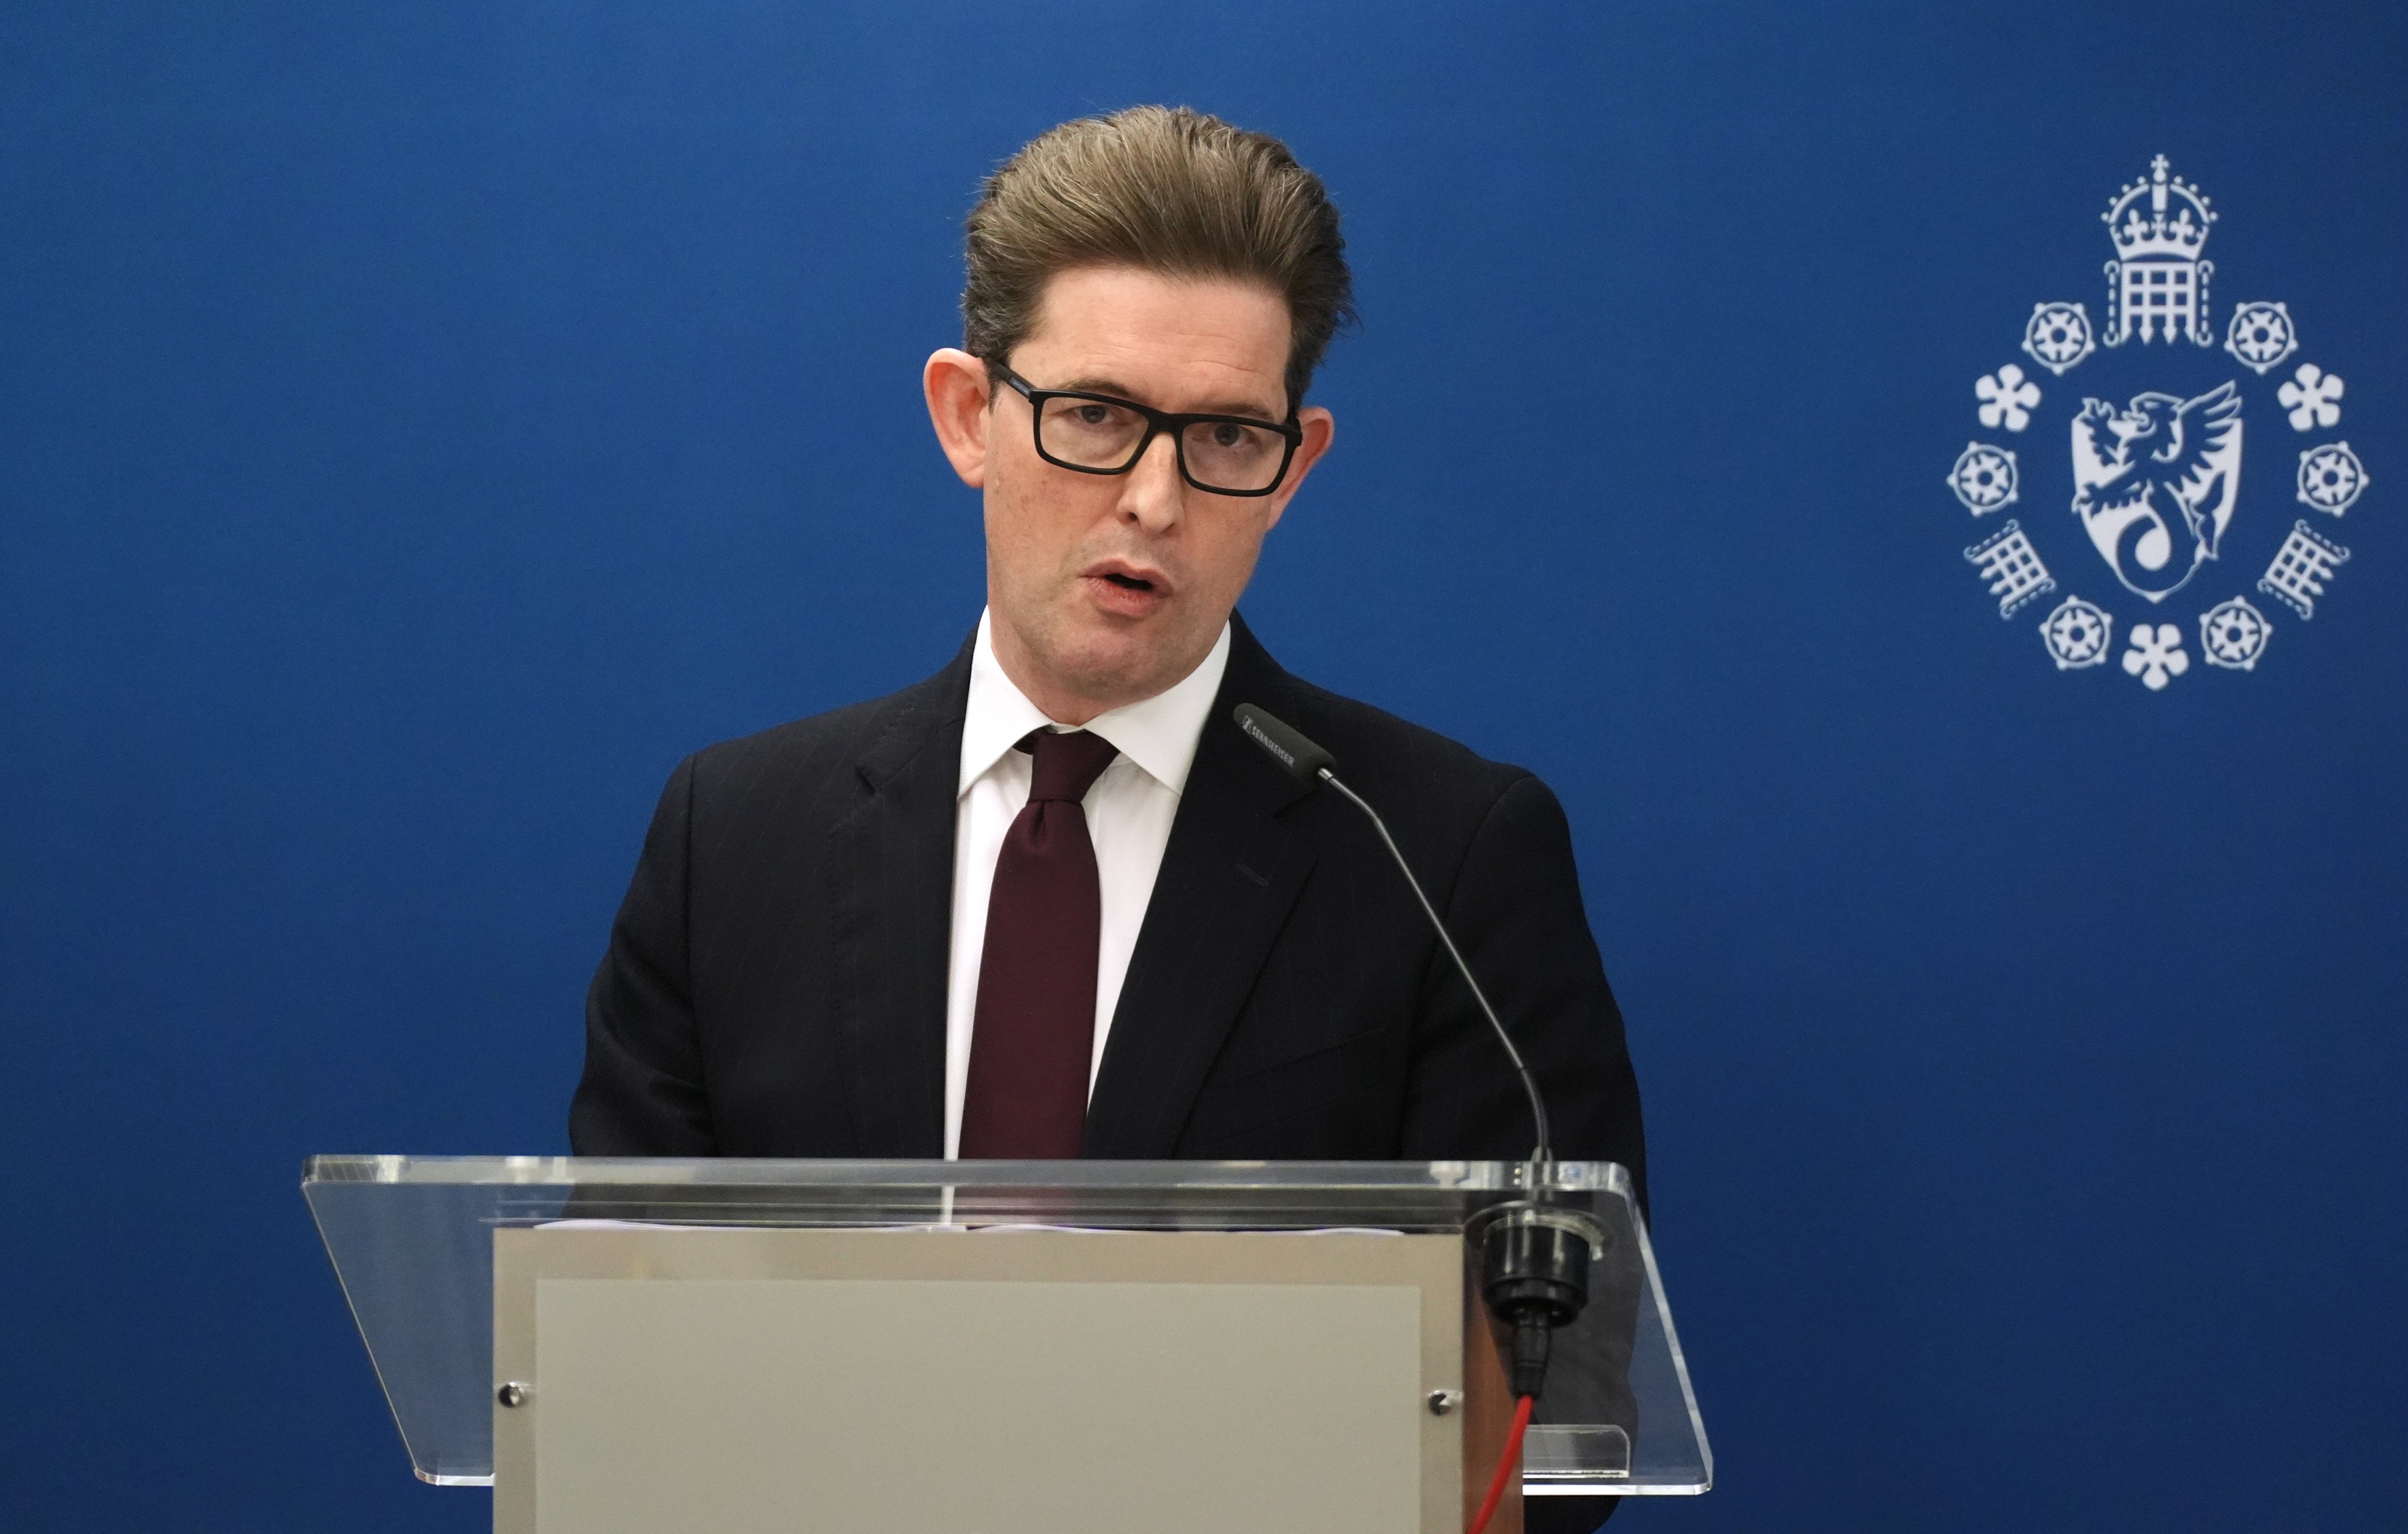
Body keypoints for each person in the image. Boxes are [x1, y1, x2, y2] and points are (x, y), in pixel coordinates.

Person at [570, 105, 1644, 1203]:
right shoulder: (735, 841)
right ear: (967, 415)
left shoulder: (1442, 860)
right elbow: (620, 1321)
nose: (1154, 501)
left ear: (1292, 471)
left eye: (1228, 436)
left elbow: (1547, 1355)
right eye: (1093, 414)